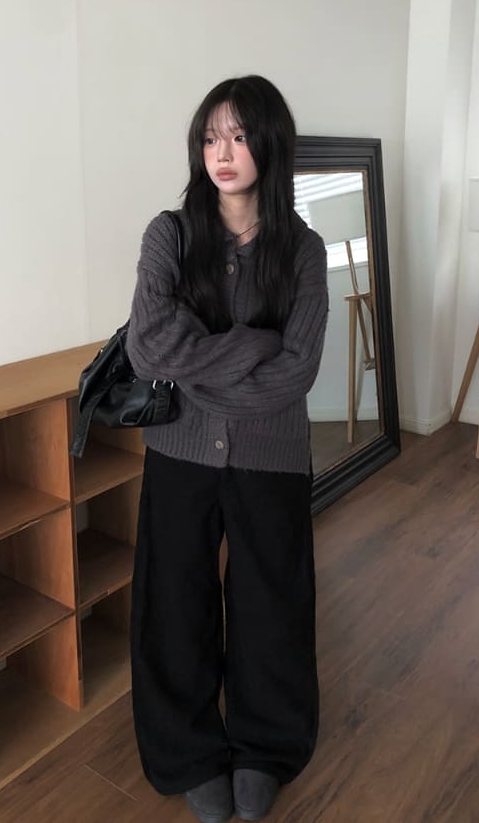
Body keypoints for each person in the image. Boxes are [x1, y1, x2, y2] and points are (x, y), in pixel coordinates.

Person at [126, 74, 328, 823]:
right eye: (211, 136)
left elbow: (297, 371)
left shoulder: (303, 250)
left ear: (269, 144)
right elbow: (148, 348)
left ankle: (266, 746)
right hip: (179, 452)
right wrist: (253, 344)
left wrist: (200, 368)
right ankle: (185, 751)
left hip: (272, 454)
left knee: (271, 601)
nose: (223, 152)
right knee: (173, 600)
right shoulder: (169, 236)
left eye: (239, 136)